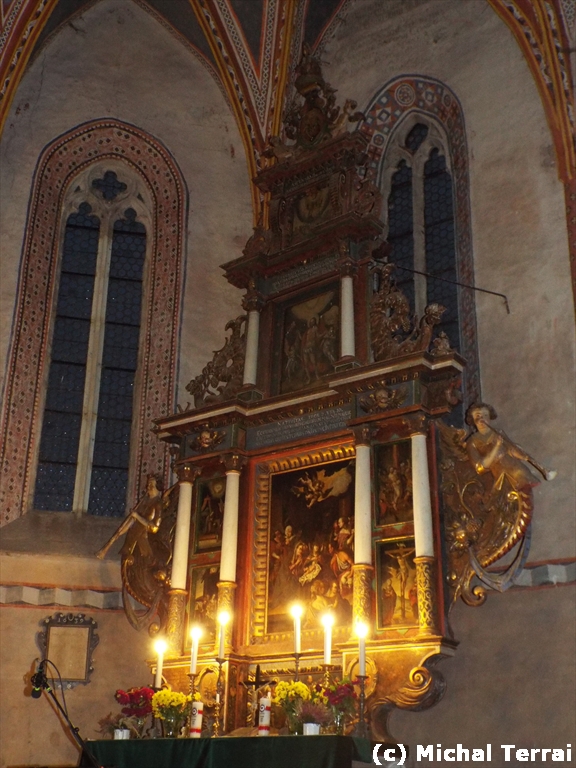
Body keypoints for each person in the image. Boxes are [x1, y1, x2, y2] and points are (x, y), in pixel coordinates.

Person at [465, 402, 556, 489]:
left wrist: (520, 453)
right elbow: (480, 468)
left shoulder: (498, 432)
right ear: (472, 419)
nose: (482, 419)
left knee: (525, 493)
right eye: (478, 416)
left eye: (485, 415)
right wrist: (496, 447)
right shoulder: (472, 442)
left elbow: (510, 449)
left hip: (516, 469)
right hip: (500, 477)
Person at [96, 474, 164, 560]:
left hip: (145, 540)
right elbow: (133, 519)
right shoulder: (144, 500)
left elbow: (154, 528)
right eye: (148, 485)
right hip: (133, 536)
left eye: (152, 486)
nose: (148, 488)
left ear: (158, 487)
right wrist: (120, 532)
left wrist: (137, 516)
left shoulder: (158, 504)